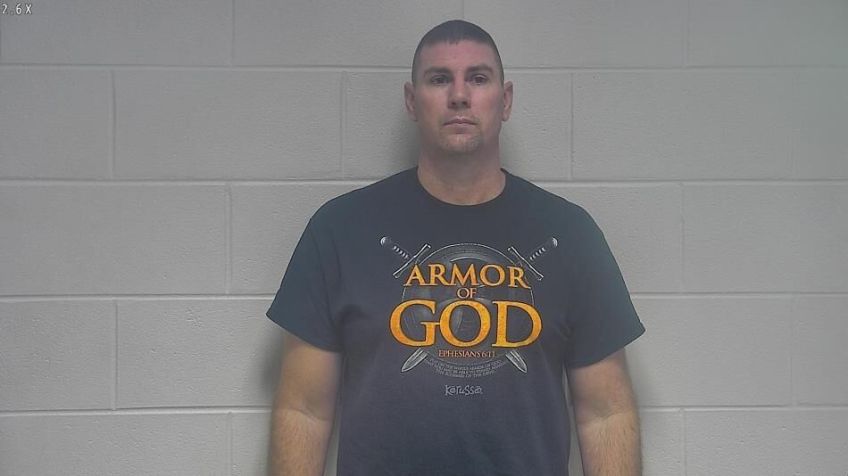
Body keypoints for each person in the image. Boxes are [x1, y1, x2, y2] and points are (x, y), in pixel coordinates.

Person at [266, 19, 645, 476]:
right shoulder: (339, 230)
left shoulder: (571, 234)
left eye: (478, 78)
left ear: (505, 100)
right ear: (412, 101)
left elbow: (606, 413)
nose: (460, 95)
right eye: (440, 78)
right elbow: (304, 410)